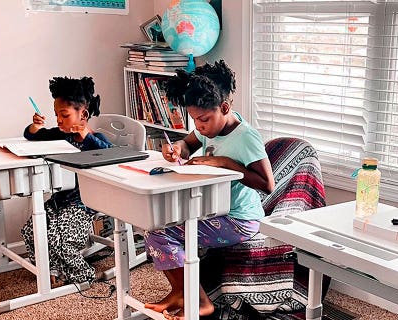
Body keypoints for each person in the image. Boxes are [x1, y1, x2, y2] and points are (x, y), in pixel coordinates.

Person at [143, 60, 275, 320]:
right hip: (213, 208)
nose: (200, 126)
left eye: (203, 119)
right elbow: (188, 144)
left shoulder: (245, 137)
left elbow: (267, 184)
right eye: (195, 120)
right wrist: (177, 149)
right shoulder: (208, 129)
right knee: (153, 225)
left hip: (240, 219)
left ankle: (199, 300)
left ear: (224, 108)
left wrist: (226, 163)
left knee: (159, 232)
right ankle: (181, 291)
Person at [21, 76, 112, 285]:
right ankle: (50, 270)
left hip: (83, 204)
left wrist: (85, 135)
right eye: (56, 115)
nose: (59, 120)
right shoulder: (62, 136)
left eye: (64, 115)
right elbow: (33, 136)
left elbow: (110, 155)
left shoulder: (96, 140)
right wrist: (34, 126)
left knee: (61, 242)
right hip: (59, 200)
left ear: (83, 114)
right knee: (30, 230)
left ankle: (83, 273)